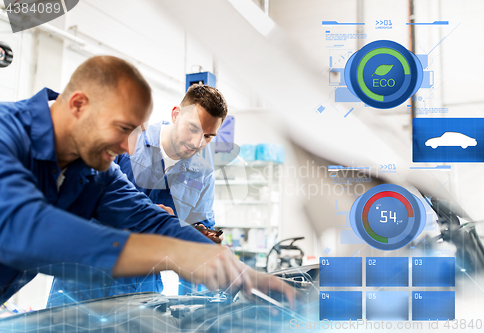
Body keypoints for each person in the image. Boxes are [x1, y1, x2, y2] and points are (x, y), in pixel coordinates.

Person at [0, 55, 295, 307]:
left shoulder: (94, 171)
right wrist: (171, 252)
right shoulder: (6, 135)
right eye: (122, 128)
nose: (128, 148)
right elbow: (22, 227)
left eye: (136, 132)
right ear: (78, 105)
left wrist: (233, 267)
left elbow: (150, 219)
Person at [109, 84, 226, 296]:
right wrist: (153, 219)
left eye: (209, 136)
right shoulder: (128, 140)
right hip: (88, 278)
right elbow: (84, 202)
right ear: (175, 114)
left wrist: (203, 237)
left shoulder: (202, 174)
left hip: (144, 286)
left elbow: (200, 232)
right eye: (193, 128)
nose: (198, 142)